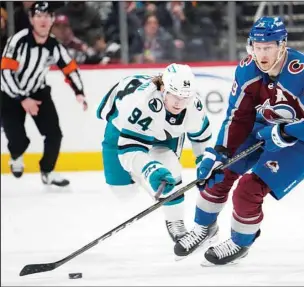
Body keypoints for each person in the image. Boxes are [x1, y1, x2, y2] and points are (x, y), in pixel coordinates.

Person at [174, 16, 304, 266]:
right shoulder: (247, 70)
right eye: (257, 47)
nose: (261, 54)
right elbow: (237, 117)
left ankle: (241, 243)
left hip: (303, 142)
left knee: (248, 190)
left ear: (282, 45)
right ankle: (204, 228)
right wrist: (217, 152)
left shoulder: (302, 72)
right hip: (263, 128)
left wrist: (288, 132)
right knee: (218, 172)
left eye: (268, 47)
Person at [96, 63, 212, 243]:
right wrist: (149, 170)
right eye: (175, 95)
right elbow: (129, 150)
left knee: (170, 167)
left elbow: (201, 138)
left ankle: (176, 221)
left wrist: (204, 164)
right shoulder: (142, 102)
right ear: (163, 88)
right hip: (123, 128)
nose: (180, 103)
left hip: (164, 134)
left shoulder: (192, 105)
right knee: (123, 192)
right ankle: (146, 180)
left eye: (185, 97)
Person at [0, 1, 87, 186]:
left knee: (54, 134)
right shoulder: (18, 41)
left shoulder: (54, 45)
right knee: (18, 140)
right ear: (31, 19)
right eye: (38, 16)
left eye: (47, 16)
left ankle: (48, 171)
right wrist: (22, 98)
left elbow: (69, 68)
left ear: (53, 19)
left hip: (39, 93)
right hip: (10, 95)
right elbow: (5, 73)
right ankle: (16, 157)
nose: (43, 20)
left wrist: (79, 92)